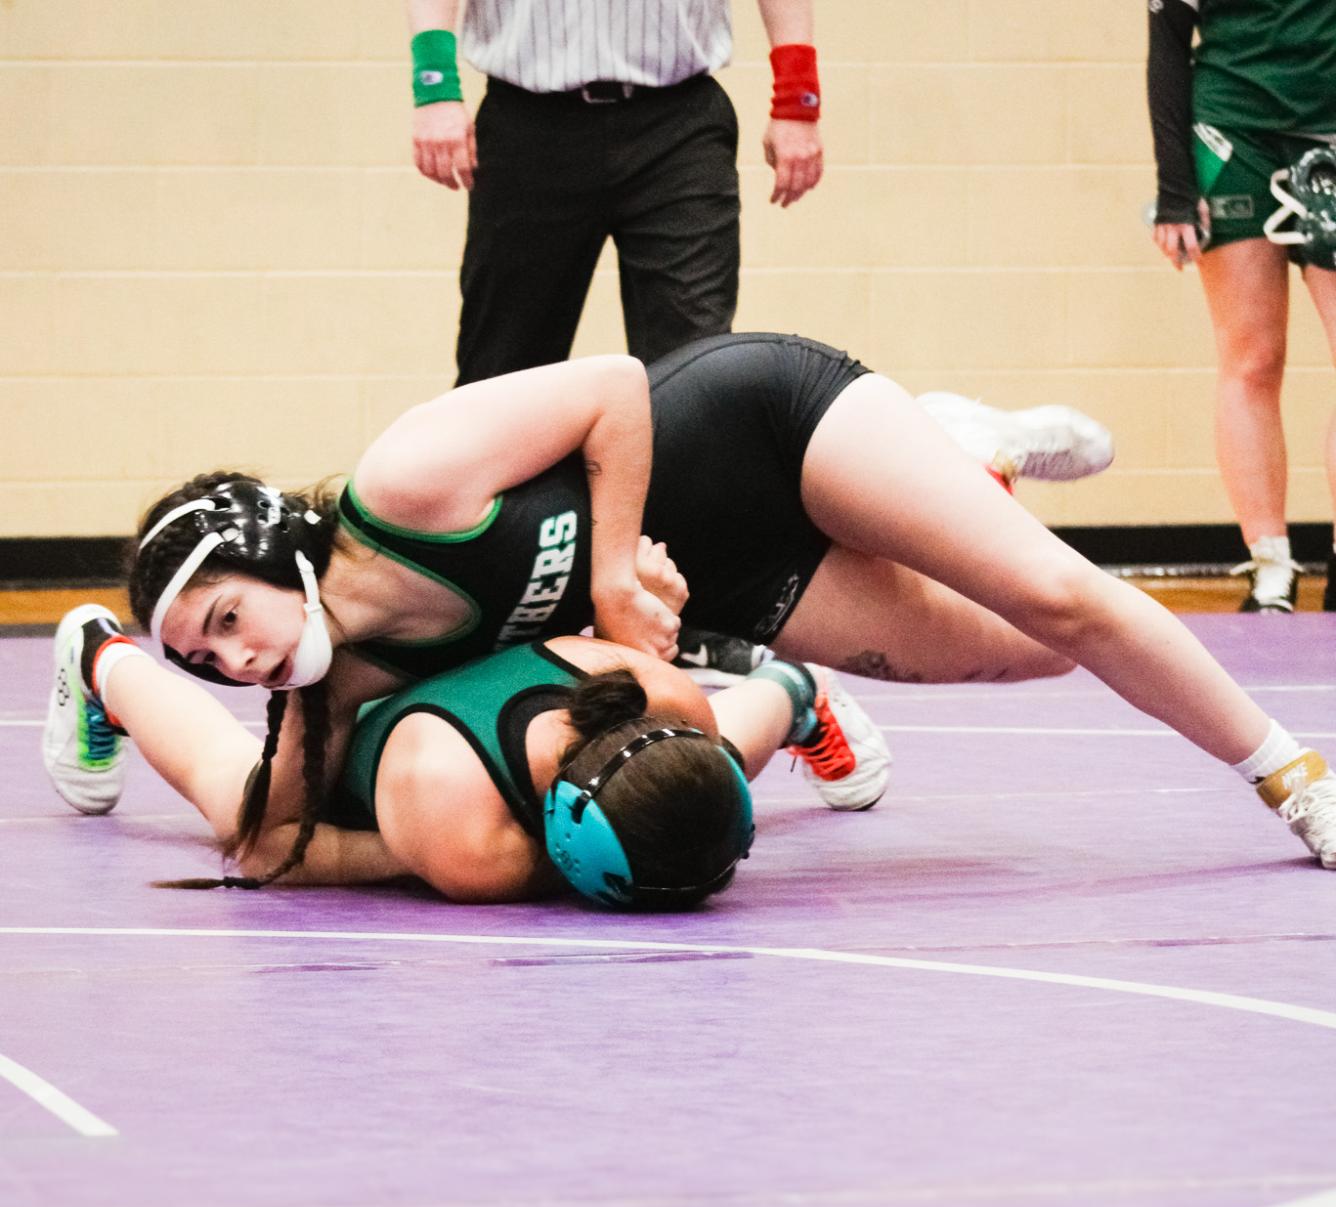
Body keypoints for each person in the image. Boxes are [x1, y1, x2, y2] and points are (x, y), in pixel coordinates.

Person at [44, 333, 1336, 874]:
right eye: (200, 662)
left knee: (1065, 600)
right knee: (1017, 658)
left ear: (272, 552)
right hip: (737, 574)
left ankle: (1292, 776)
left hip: (760, 427)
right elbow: (264, 824)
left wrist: (610, 567)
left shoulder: (407, 483)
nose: (233, 659)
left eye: (221, 620)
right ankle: (972, 458)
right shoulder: (352, 678)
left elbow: (612, 383)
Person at [45, 616, 826, 908]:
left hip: (454, 692)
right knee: (238, 801)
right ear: (571, 849)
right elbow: (270, 851)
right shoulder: (466, 846)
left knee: (714, 751)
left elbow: (703, 768)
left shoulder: (667, 701)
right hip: (370, 736)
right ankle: (102, 658)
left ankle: (790, 688)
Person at [407, 0, 823, 380]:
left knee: (694, 365)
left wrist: (797, 98)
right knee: (503, 367)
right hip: (528, 122)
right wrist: (434, 85)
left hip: (678, 125)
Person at [1147, 0, 1336, 613]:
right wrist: (1175, 188)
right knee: (1251, 356)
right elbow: (1168, 46)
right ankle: (1271, 568)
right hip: (1232, 133)